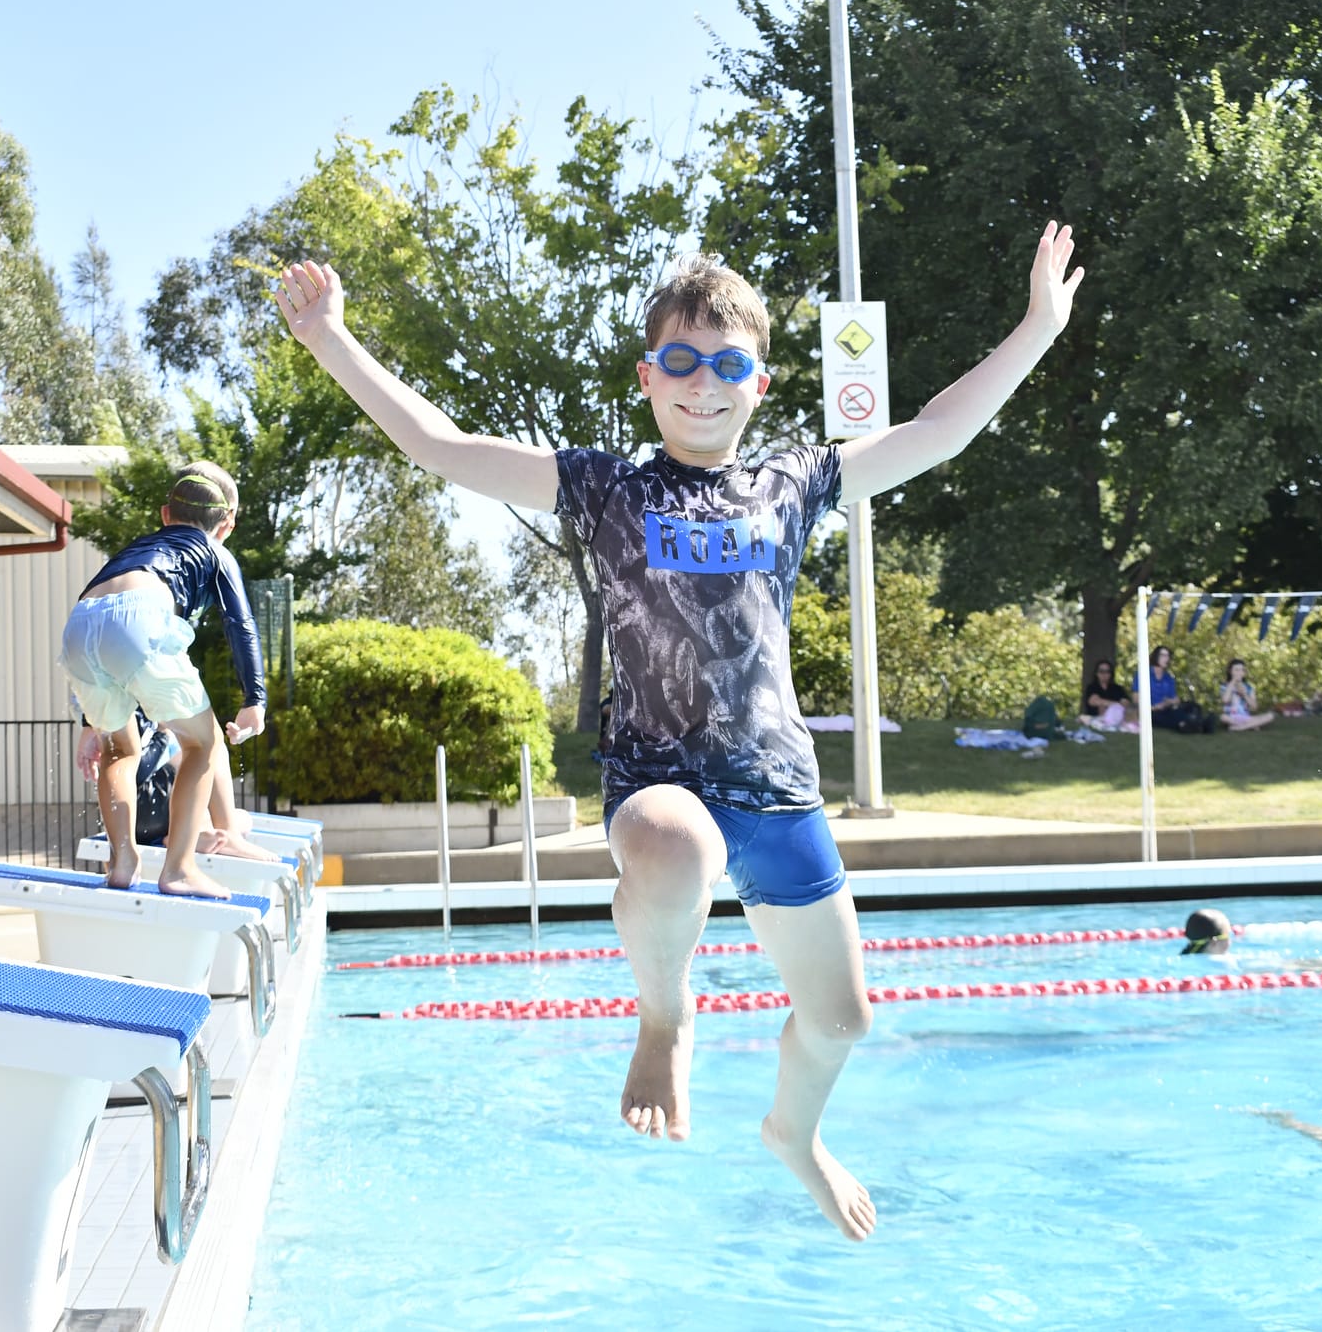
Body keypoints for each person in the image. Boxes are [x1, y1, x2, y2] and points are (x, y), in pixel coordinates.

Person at [274, 221, 1084, 1242]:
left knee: (841, 1020)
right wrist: (331, 340)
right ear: (649, 377)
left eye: (728, 363)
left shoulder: (793, 481)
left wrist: (1038, 327)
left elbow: (936, 428)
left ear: (759, 379)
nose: (704, 382)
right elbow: (436, 445)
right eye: (681, 361)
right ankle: (665, 1015)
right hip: (658, 777)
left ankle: (795, 1134)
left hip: (778, 788)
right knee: (675, 845)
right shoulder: (607, 486)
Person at [58, 461, 266, 898]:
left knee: (118, 749)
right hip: (139, 616)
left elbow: (104, 627)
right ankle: (179, 869)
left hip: (79, 623)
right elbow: (240, 624)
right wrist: (254, 700)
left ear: (165, 515)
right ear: (226, 524)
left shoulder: (136, 549)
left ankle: (123, 861)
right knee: (204, 743)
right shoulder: (215, 552)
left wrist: (86, 725)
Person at [75, 711, 281, 862]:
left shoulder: (104, 704)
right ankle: (201, 833)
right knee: (212, 745)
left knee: (244, 818)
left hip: (123, 821)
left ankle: (199, 831)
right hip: (147, 806)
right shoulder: (157, 724)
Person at [1219, 660, 1275, 732]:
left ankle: (1239, 727)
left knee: (1270, 716)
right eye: (1236, 670)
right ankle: (1253, 725)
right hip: (1230, 717)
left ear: (1244, 673)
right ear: (1230, 671)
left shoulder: (1249, 687)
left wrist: (1244, 694)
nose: (1239, 673)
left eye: (1242, 670)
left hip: (1246, 717)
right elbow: (1225, 700)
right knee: (1222, 717)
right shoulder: (1225, 686)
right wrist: (1233, 682)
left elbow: (1254, 707)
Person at [1078, 658, 1131, 729]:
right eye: (1101, 671)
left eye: (1107, 671)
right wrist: (1115, 705)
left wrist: (1108, 706)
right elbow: (1093, 701)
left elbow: (1126, 703)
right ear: (1096, 673)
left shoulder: (1117, 688)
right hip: (1095, 718)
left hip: (1116, 719)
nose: (1104, 674)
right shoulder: (1092, 687)